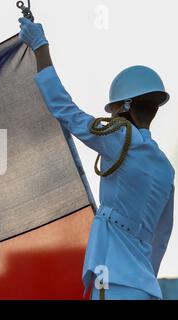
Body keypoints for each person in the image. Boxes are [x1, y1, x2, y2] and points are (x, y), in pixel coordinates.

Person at [18, 17, 175, 300]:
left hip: (112, 278)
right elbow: (162, 238)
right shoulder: (166, 169)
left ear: (124, 106)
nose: (111, 113)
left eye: (113, 107)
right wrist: (142, 277)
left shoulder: (120, 139)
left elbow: (66, 111)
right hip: (146, 287)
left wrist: (40, 47)